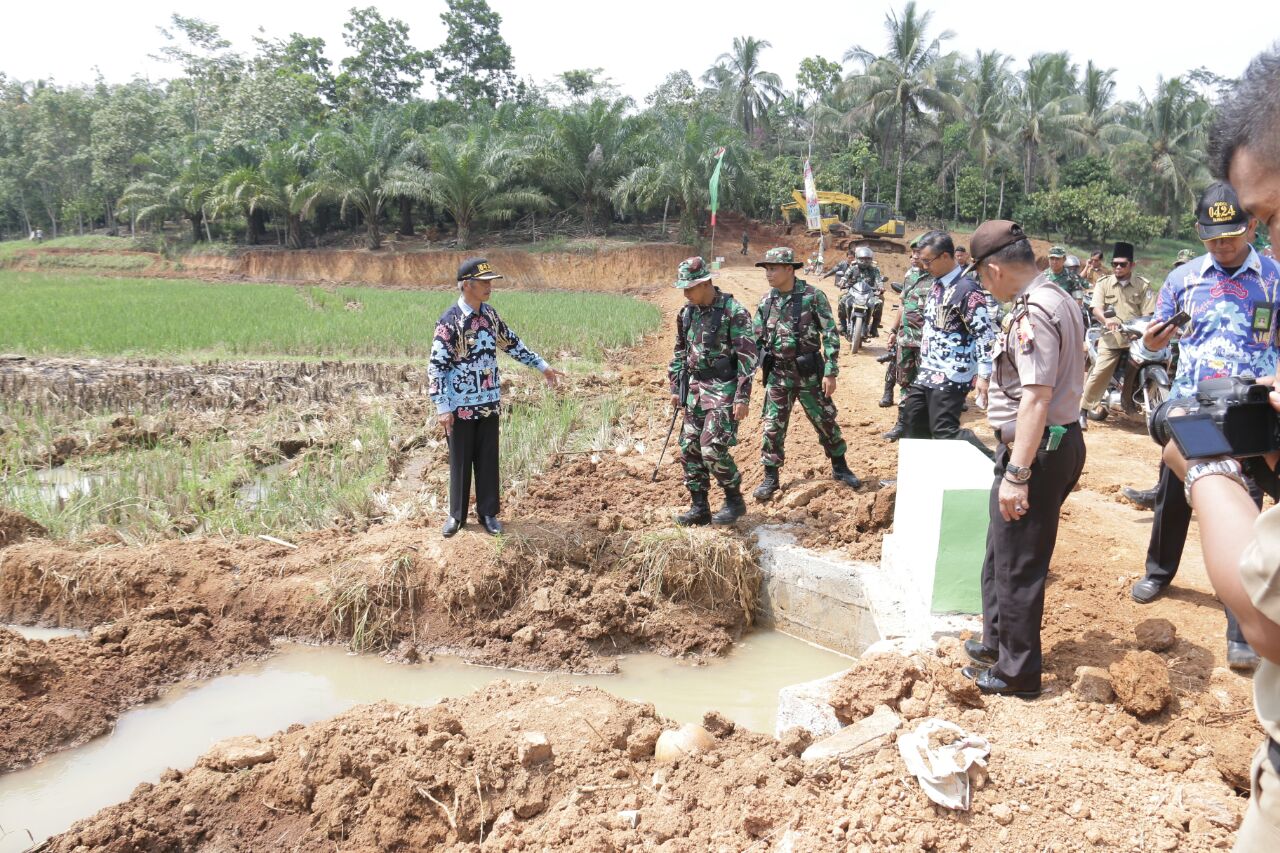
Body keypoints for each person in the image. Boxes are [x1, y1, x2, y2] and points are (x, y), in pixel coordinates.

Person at [1123, 182, 1280, 671]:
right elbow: (1152, 346)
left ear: (1251, 226)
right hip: (1191, 405)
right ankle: (1160, 571)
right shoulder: (1183, 279)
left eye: (1231, 236)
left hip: (1252, 410)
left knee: (1243, 507)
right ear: (1199, 233)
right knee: (1174, 494)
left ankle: (1242, 630)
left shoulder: (1275, 279)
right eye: (1213, 238)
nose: (1223, 246)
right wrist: (1149, 342)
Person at [1197, 46, 1280, 847]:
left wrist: (1204, 472)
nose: (1258, 242)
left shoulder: (1269, 282)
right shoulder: (1189, 278)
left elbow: (1273, 622)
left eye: (1268, 217)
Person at [956, 220, 1086, 697]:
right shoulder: (1059, 296)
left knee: (1019, 564)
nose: (986, 289)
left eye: (983, 279)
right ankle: (998, 643)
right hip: (1048, 443)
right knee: (1001, 552)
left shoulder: (1033, 311)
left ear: (993, 270)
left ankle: (1018, 674)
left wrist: (1017, 473)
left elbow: (1036, 397)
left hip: (1039, 451)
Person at [429, 258, 565, 537]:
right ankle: (457, 516)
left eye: (490, 281)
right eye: (484, 282)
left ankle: (488, 514)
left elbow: (512, 343)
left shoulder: (489, 316)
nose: (489, 286)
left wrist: (542, 366)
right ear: (467, 285)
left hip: (488, 402)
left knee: (488, 458)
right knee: (460, 460)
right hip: (460, 407)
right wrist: (442, 406)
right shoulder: (450, 321)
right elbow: (436, 366)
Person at [751, 246, 861, 500]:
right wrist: (760, 361)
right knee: (772, 426)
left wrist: (830, 371)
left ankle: (840, 467)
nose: (768, 274)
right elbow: (755, 337)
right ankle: (771, 477)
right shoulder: (767, 301)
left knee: (825, 421)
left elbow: (831, 334)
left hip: (809, 374)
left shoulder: (813, 296)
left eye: (773, 268)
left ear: (789, 269)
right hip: (778, 375)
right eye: (766, 269)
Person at [668, 256, 758, 526]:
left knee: (711, 449)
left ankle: (734, 500)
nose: (686, 293)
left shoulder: (733, 311)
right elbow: (680, 352)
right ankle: (700, 508)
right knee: (689, 449)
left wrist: (742, 397)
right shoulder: (686, 313)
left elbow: (747, 358)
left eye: (690, 287)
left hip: (724, 391)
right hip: (695, 390)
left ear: (706, 282)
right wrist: (676, 386)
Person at [899, 230, 996, 455]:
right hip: (929, 370)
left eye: (927, 261)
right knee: (912, 419)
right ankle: (915, 478)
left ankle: (997, 466)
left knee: (944, 430)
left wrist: (984, 375)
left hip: (953, 373)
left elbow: (985, 335)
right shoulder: (938, 284)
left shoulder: (967, 290)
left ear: (945, 256)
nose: (924, 266)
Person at [1078, 241, 1154, 426]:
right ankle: (1083, 410)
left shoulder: (1142, 285)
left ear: (1132, 265)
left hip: (1136, 338)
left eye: (1123, 264)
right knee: (1101, 371)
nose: (1118, 267)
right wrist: (1107, 320)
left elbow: (1149, 312)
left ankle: (1136, 402)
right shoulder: (1104, 283)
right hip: (1112, 338)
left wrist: (1143, 329)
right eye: (1115, 264)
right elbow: (1096, 308)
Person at [881, 238, 931, 423]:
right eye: (913, 252)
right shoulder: (910, 275)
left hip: (926, 343)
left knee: (926, 384)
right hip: (906, 339)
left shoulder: (938, 278)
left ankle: (922, 425)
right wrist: (893, 331)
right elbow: (902, 305)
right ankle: (902, 422)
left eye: (919, 252)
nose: (914, 256)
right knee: (904, 382)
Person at [826, 246, 886, 339]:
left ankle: (874, 327)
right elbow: (845, 277)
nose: (864, 261)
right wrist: (842, 282)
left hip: (869, 293)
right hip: (853, 291)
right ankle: (843, 325)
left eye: (867, 259)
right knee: (841, 299)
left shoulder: (875, 269)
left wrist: (881, 287)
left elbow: (878, 280)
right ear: (857, 259)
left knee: (879, 302)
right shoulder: (853, 268)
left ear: (871, 259)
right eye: (862, 259)